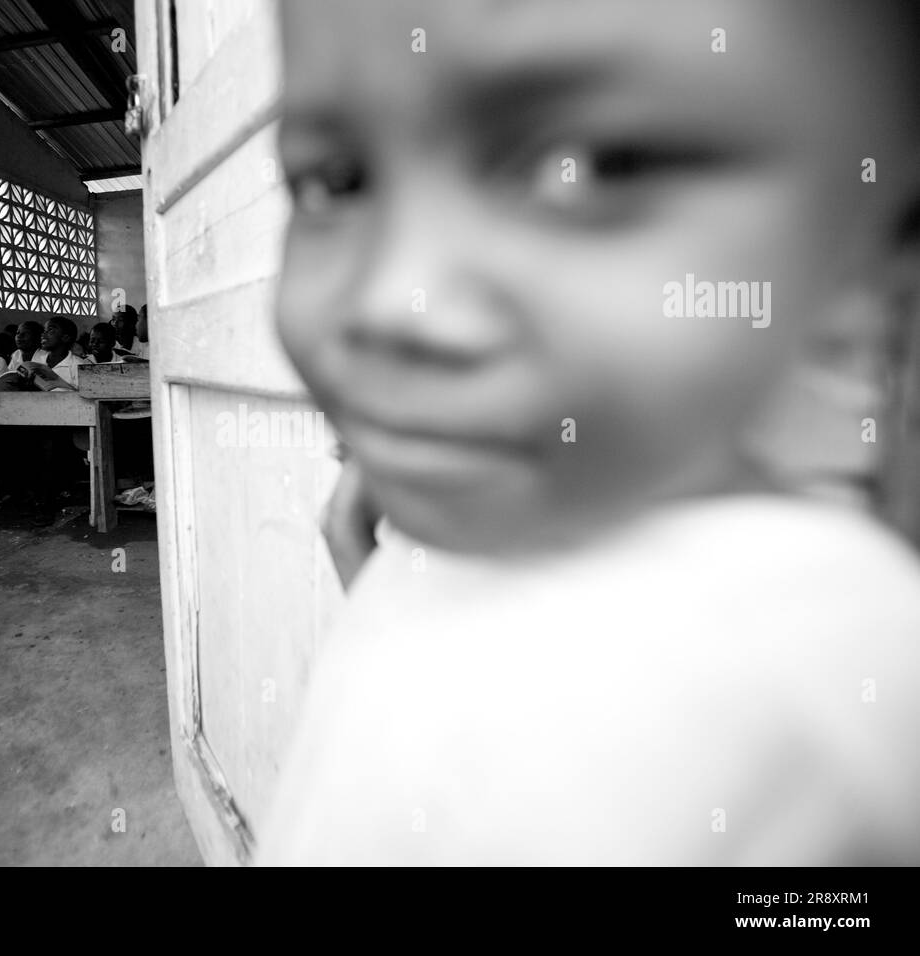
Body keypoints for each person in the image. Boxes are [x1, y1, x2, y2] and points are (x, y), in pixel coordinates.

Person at [257, 0, 920, 866]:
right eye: (334, 181)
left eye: (585, 166)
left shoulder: (840, 681)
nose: (393, 301)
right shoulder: (515, 510)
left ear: (884, 231)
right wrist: (387, 590)